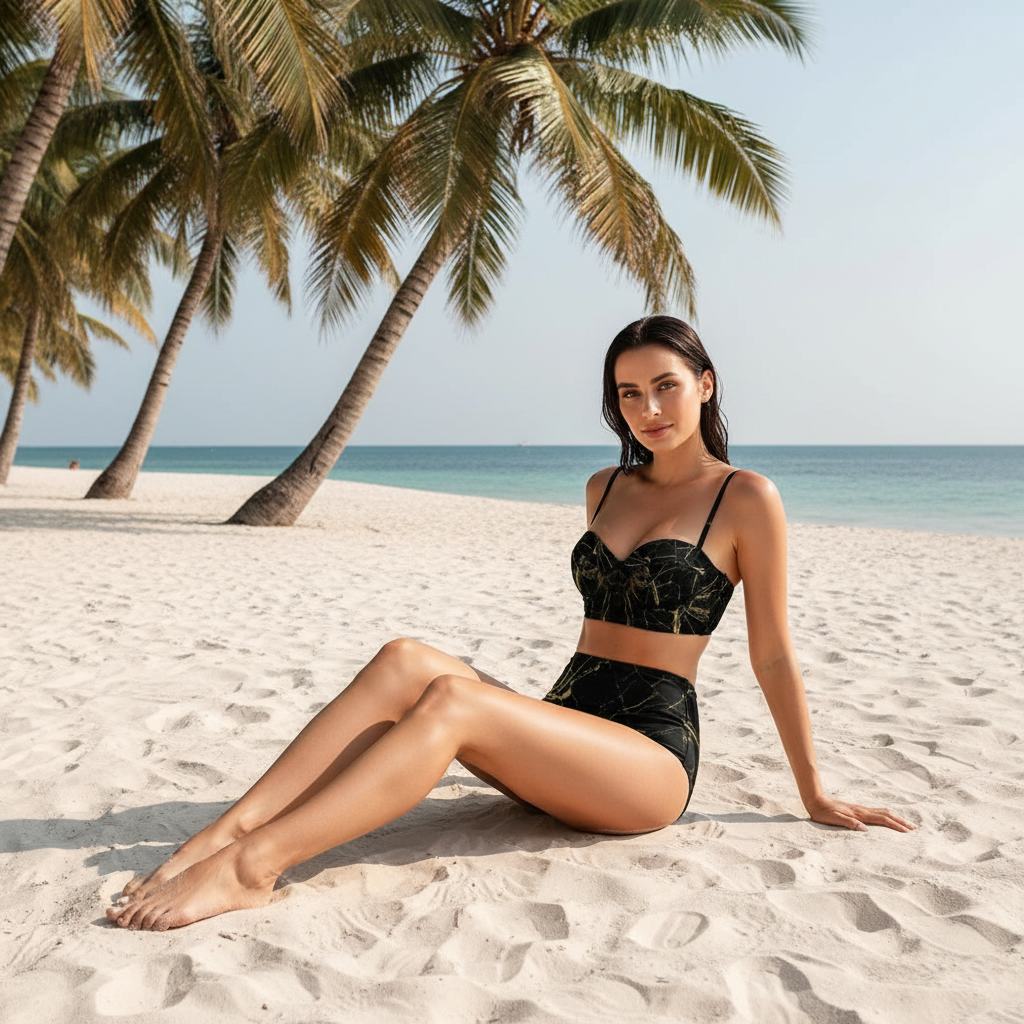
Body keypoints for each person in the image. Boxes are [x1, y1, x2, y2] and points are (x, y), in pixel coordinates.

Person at [107, 316, 914, 932]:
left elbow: (771, 653)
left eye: (665, 385)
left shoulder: (746, 498)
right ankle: (229, 829)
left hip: (647, 757)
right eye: (628, 394)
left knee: (452, 701)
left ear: (706, 383)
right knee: (404, 660)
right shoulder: (605, 486)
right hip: (568, 719)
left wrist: (812, 790)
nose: (648, 409)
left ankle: (255, 866)